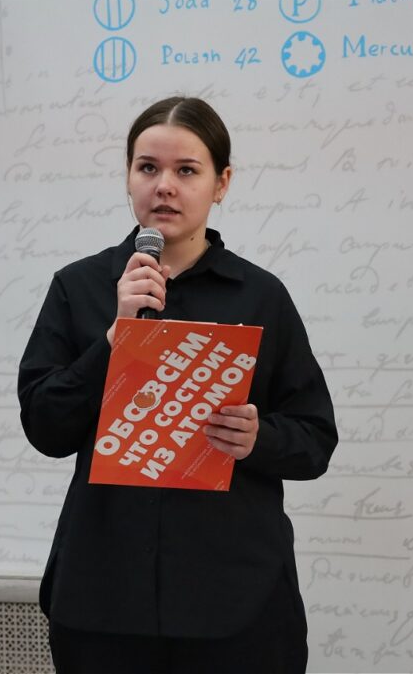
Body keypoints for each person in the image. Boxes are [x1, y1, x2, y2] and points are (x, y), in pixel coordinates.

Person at [17, 96, 338, 674]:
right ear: (128, 178)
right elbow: (45, 427)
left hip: (235, 603)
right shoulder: (79, 287)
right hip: (103, 600)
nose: (164, 185)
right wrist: (114, 339)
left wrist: (259, 438)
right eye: (148, 167)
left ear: (222, 184)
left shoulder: (261, 297)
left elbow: (315, 439)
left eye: (186, 170)